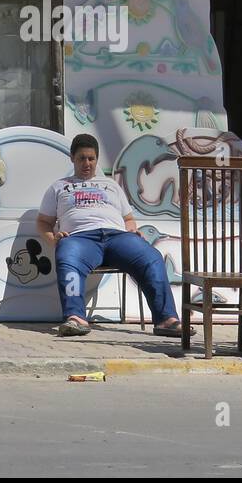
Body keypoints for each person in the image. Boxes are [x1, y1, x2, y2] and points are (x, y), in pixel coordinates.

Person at [37, 134, 190, 337]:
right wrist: (53, 238)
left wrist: (132, 229)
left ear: (96, 159)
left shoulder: (111, 185)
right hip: (81, 238)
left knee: (152, 257)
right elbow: (43, 222)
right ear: (72, 157)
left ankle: (166, 319)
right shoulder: (58, 187)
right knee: (67, 255)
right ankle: (76, 318)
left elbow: (128, 218)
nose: (87, 163)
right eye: (82, 158)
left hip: (118, 237)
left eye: (91, 158)